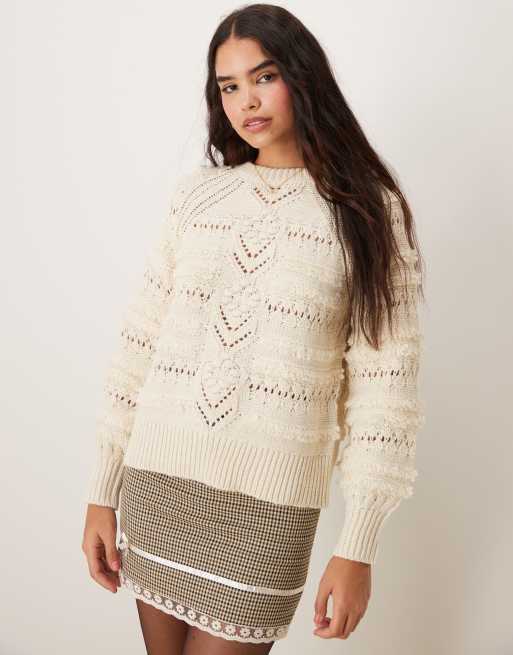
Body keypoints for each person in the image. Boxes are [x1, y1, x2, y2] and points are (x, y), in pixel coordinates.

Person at [81, 4, 426, 654]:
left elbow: (386, 392)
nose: (247, 101)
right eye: (228, 86)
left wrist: (358, 545)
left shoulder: (366, 213)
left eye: (264, 77)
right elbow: (140, 344)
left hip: (267, 511)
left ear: (302, 76)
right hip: (158, 482)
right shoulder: (198, 198)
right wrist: (103, 489)